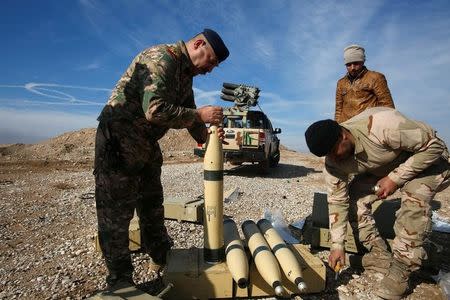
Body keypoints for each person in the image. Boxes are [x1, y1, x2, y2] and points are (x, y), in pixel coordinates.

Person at [94, 28, 229, 289]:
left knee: (152, 203)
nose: (210, 69)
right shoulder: (162, 59)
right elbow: (155, 111)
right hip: (119, 139)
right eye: (210, 61)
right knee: (116, 214)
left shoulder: (185, 75)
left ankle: (160, 255)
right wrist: (200, 115)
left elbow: (189, 116)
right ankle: (120, 281)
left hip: (145, 143)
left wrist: (208, 135)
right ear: (198, 44)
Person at [304, 107, 450, 299]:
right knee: (354, 196)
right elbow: (337, 201)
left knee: (413, 198)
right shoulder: (333, 163)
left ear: (343, 135)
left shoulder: (381, 126)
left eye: (333, 151)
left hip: (430, 161)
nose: (333, 158)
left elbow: (434, 146)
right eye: (327, 155)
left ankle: (402, 270)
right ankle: (379, 253)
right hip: (386, 167)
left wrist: (395, 179)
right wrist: (337, 245)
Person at [335, 44, 395, 124]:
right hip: (347, 128)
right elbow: (338, 109)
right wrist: (336, 128)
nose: (352, 67)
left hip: (368, 127)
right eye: (348, 64)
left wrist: (383, 127)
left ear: (362, 61)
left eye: (356, 63)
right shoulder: (341, 83)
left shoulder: (376, 78)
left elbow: (387, 106)